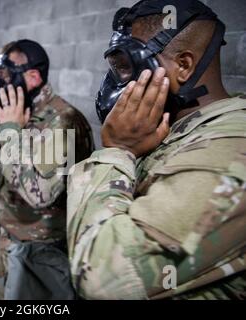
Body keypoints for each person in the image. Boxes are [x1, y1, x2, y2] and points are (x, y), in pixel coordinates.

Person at [67, 0, 246, 299]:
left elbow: (102, 280)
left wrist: (117, 150)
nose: (116, 82)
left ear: (184, 66)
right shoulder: (167, 128)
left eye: (126, 66)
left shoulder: (230, 149)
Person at [0, 39, 94, 299]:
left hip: (42, 248)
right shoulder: (9, 110)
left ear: (33, 76)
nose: (0, 81)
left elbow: (38, 194)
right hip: (10, 234)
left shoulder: (63, 121)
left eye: (7, 74)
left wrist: (9, 131)